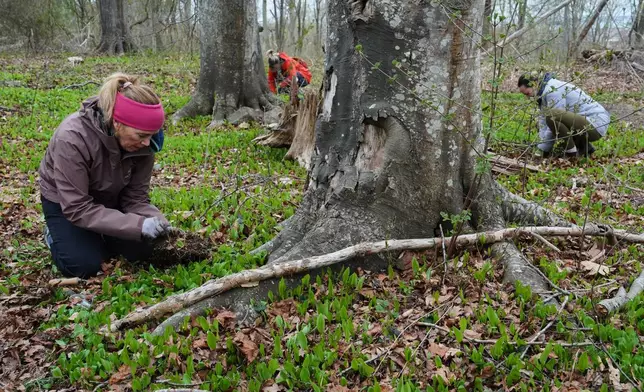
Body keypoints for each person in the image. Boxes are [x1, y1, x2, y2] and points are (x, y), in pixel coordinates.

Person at [38, 73, 170, 279]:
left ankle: (101, 234)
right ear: (118, 123)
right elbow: (77, 207)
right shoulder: (73, 138)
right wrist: (137, 226)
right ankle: (55, 234)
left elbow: (135, 198)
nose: (147, 143)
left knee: (145, 251)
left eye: (152, 135)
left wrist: (157, 221)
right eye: (142, 136)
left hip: (110, 197)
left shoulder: (146, 143)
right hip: (67, 203)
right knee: (84, 265)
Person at [517, 72, 610, 158]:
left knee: (552, 115)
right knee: (551, 117)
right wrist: (541, 147)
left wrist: (543, 149)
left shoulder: (552, 90)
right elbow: (543, 123)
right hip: (585, 124)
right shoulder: (542, 94)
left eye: (528, 93)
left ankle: (571, 153)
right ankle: (585, 148)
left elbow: (553, 119)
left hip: (596, 123)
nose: (528, 97)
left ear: (535, 84)